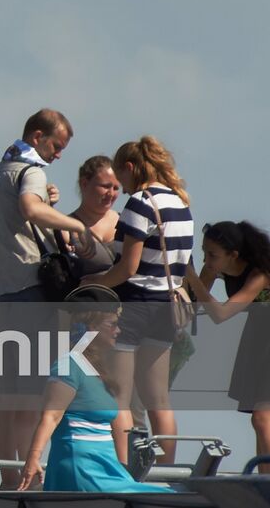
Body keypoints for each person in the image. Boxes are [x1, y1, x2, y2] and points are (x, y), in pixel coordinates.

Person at [0, 110, 87, 489]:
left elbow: (20, 213)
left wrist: (47, 202)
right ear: (39, 136)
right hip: (30, 289)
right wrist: (75, 224)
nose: (59, 154)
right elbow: (29, 208)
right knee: (30, 392)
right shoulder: (31, 171)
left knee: (8, 391)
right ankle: (27, 477)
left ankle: (9, 475)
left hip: (2, 291)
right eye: (57, 146)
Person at [82, 136, 194, 464]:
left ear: (130, 168)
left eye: (121, 177)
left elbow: (127, 268)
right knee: (158, 398)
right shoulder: (181, 203)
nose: (123, 187)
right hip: (166, 307)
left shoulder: (140, 203)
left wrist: (96, 282)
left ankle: (125, 468)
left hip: (134, 306)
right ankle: (166, 470)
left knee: (119, 396)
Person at [184, 221, 270, 475]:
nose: (208, 260)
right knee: (261, 421)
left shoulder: (260, 274)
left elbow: (221, 313)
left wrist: (193, 278)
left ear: (233, 255)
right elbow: (194, 299)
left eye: (213, 255)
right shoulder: (219, 267)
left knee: (263, 418)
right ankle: (266, 481)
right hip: (260, 338)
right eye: (204, 253)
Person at [18, 285, 170, 493]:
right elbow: (50, 417)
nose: (118, 330)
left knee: (168, 496)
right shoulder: (68, 365)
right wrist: (33, 459)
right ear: (91, 328)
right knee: (163, 497)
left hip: (106, 468)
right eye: (112, 324)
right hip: (81, 468)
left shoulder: (97, 371)